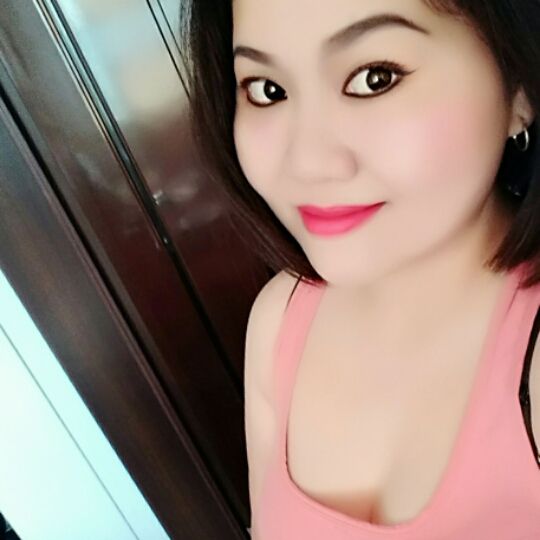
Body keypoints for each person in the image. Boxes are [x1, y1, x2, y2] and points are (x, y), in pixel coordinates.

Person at [181, 1, 540, 537]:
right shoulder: (280, 318)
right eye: (268, 90)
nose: (307, 162)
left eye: (375, 78)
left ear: (520, 87)